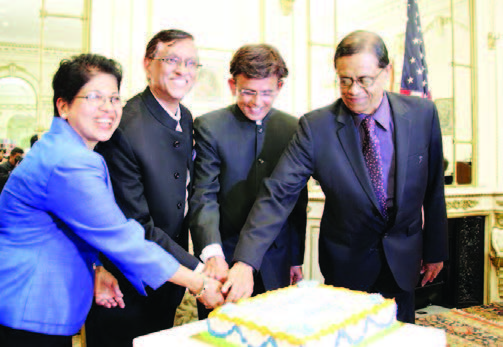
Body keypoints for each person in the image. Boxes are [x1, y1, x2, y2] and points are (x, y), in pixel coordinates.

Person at [223, 30, 448, 324]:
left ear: (387, 73)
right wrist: (245, 261)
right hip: (348, 263)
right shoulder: (316, 128)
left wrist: (435, 249)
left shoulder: (422, 114)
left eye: (364, 80)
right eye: (344, 80)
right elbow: (278, 194)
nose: (353, 90)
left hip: (404, 259)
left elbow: (433, 189)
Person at [0, 53, 223, 347]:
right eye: (94, 97)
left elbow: (74, 226)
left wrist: (97, 268)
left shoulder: (69, 150)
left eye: (114, 98)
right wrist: (199, 282)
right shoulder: (69, 162)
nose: (108, 109)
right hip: (29, 308)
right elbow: (123, 239)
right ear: (63, 105)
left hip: (33, 304)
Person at [85, 29, 203, 346]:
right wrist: (198, 270)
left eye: (191, 63)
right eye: (172, 60)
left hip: (167, 280)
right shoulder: (124, 126)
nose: (183, 70)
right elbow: (136, 224)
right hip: (124, 285)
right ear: (147, 64)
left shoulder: (187, 117)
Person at [190, 44, 308, 319]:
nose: (256, 102)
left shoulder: (295, 129)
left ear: (279, 86)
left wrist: (295, 258)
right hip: (223, 259)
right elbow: (204, 196)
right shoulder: (209, 126)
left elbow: (296, 202)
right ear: (233, 85)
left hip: (276, 258)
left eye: (266, 93)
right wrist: (212, 253)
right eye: (248, 92)